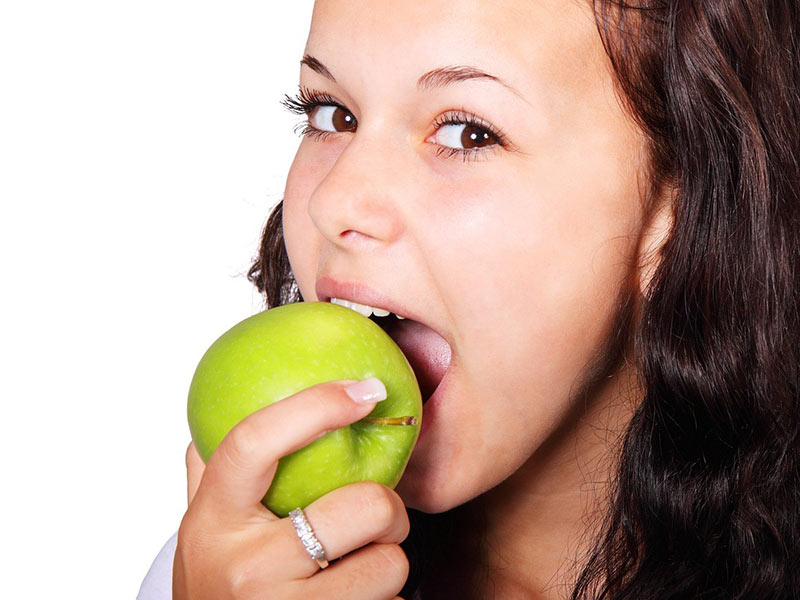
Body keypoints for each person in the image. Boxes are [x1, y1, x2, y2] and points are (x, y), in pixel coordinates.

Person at [138, 0, 800, 598]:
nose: (334, 200)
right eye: (333, 114)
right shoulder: (231, 580)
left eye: (466, 133)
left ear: (676, 212)